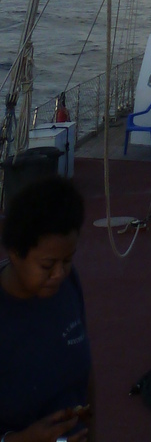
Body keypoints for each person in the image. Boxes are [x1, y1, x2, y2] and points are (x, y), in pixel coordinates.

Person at [0, 175, 94, 442]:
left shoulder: (68, 283)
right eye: (47, 265)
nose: (59, 274)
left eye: (68, 260)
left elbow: (87, 376)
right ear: (16, 253)